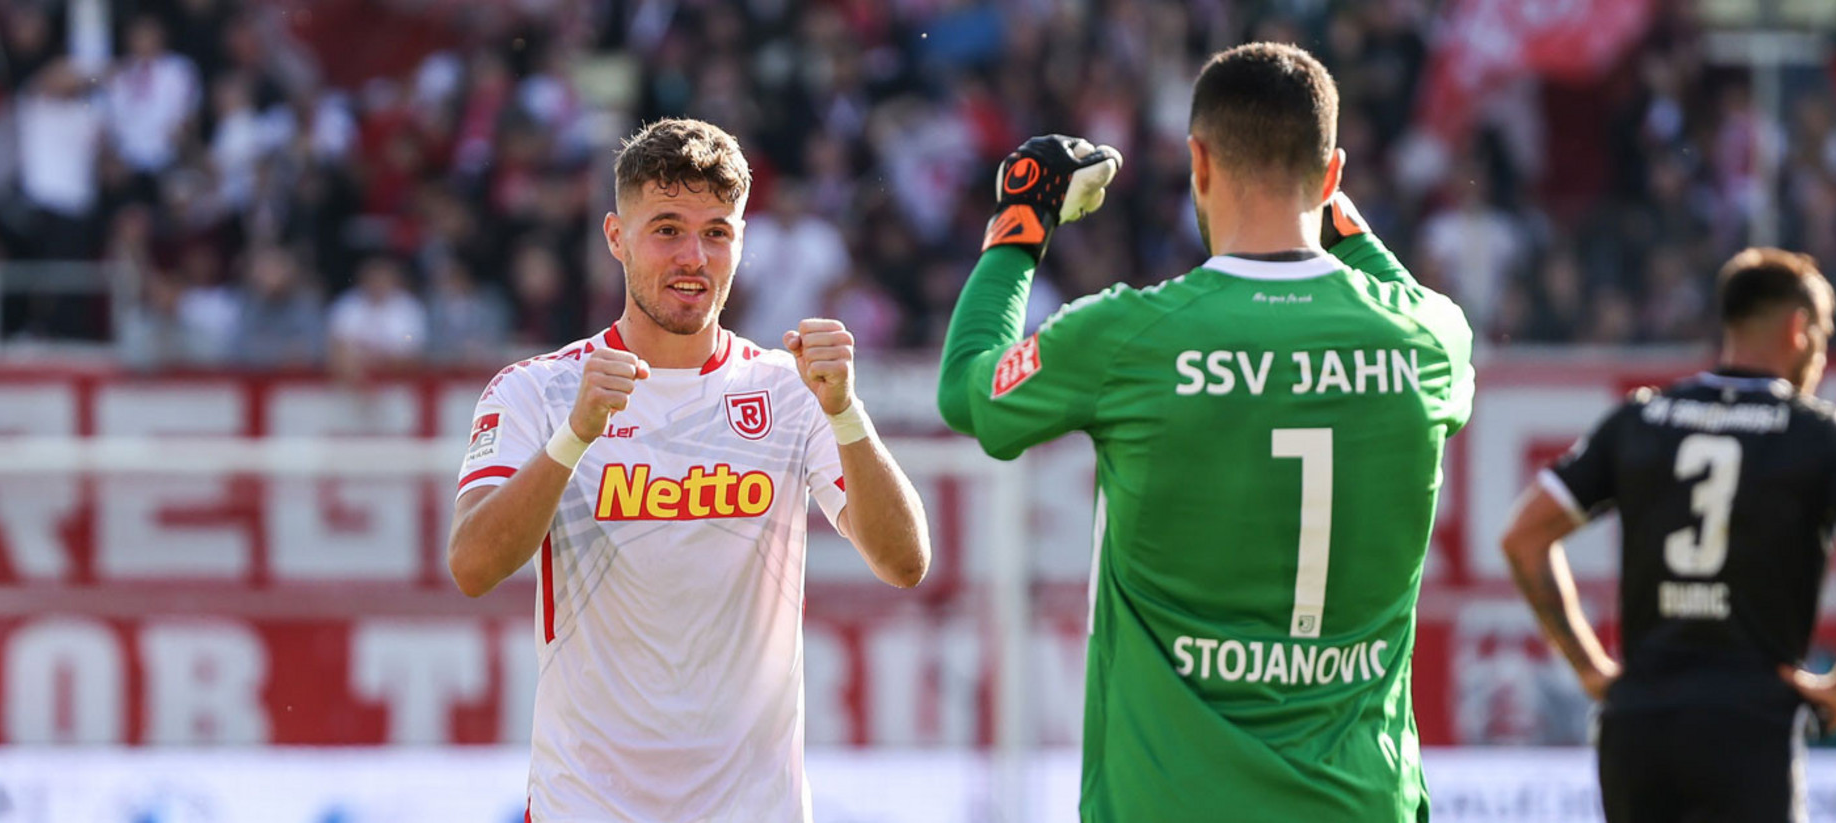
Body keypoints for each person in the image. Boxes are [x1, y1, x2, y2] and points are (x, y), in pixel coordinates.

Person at [937, 43, 1472, 821]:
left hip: (1170, 802)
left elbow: (966, 392)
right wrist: (1342, 219)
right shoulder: (1428, 337)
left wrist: (1020, 222)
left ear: (1198, 160)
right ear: (1331, 176)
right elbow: (1404, 293)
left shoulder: (1127, 337)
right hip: (1363, 800)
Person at [445, 118, 929, 822]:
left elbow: (905, 561)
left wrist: (847, 414)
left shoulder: (792, 392)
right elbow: (472, 565)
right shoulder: (538, 392)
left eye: (717, 232)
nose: (693, 257)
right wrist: (575, 437)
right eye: (666, 228)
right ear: (615, 237)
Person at [1501, 247, 1836, 823]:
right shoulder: (1817, 433)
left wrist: (1590, 666)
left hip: (1640, 725)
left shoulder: (1641, 418)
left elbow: (1524, 537)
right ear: (1798, 329)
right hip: (1747, 723)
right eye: (1821, 334)